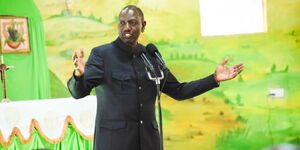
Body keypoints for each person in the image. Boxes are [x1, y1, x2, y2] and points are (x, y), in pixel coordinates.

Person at [67, 5, 244, 150]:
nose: (127, 27)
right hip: (115, 143)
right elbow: (79, 92)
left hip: (149, 142)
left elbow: (179, 91)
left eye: (133, 23)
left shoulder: (150, 56)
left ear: (143, 26)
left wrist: (213, 79)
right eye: (122, 23)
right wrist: (78, 74)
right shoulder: (102, 55)